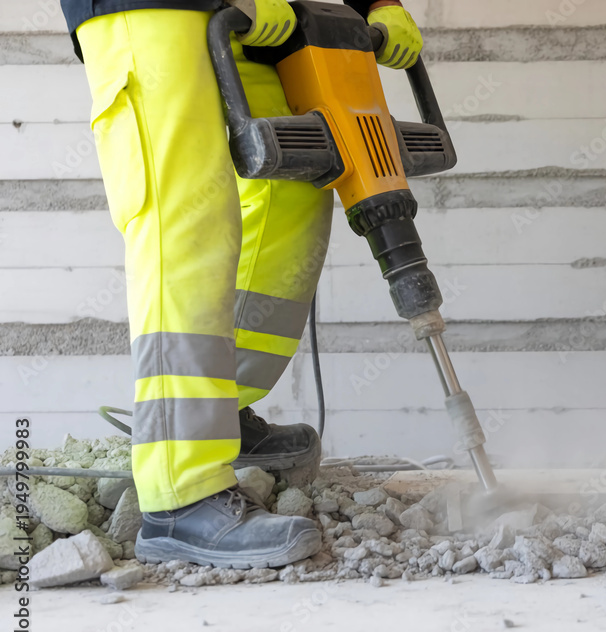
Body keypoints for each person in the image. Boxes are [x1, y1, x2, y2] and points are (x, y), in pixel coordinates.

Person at [57, 0, 424, 568]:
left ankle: (220, 411)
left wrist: (378, 4)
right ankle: (181, 493)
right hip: (152, 10)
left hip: (262, 16)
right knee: (184, 217)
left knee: (292, 181)